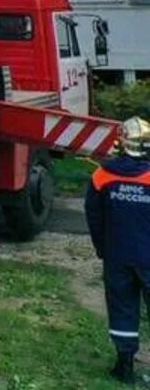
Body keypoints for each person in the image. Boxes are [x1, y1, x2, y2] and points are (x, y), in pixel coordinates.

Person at [89, 116, 150, 383]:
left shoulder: (101, 175)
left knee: (122, 307)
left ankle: (124, 367)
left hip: (117, 255)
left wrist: (104, 249)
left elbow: (93, 217)